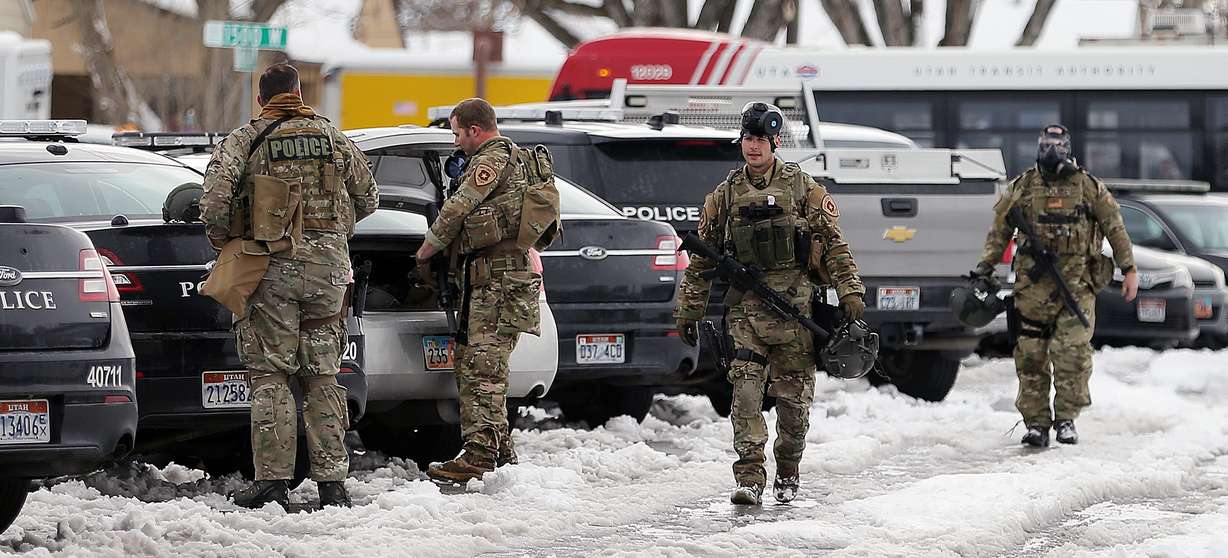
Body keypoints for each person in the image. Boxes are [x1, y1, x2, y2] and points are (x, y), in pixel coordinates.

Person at [200, 63, 378, 509]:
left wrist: (228, 243)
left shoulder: (244, 139)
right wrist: (332, 233)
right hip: (329, 273)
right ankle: (333, 483)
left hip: (272, 268)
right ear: (299, 92)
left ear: (260, 99)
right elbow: (369, 198)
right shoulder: (336, 138)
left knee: (271, 375)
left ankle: (273, 481)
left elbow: (214, 201)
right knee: (322, 377)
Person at [673, 102, 865, 505]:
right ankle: (749, 477)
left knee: (793, 410)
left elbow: (832, 243)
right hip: (746, 314)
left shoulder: (803, 188)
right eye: (747, 139)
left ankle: (789, 469)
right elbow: (702, 258)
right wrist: (689, 310)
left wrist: (850, 291)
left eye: (760, 139)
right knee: (744, 395)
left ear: (774, 142)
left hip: (796, 314)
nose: (753, 147)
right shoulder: (724, 195)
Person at [971, 124, 1137, 448]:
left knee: (1071, 353)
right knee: (1030, 356)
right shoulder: (1023, 186)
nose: (1051, 151)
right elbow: (998, 232)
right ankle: (1036, 424)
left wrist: (1129, 268)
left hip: (1077, 287)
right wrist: (985, 268)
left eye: (1057, 145)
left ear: (1068, 148)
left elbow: (1115, 228)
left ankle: (1066, 419)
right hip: (1033, 291)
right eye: (1046, 144)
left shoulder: (1088, 187)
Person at [416, 98, 545, 484]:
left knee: (481, 369)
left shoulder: (491, 160)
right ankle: (499, 448)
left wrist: (426, 250)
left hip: (498, 283)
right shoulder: (519, 158)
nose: (455, 142)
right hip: (504, 280)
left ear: (475, 130)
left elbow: (458, 207)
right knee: (489, 365)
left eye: (457, 133)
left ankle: (479, 455)